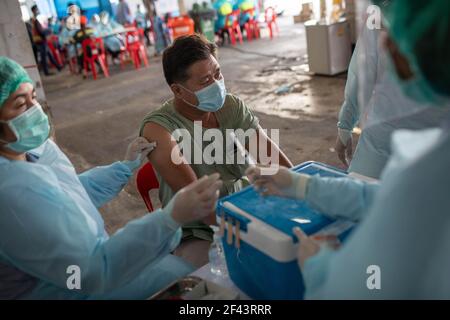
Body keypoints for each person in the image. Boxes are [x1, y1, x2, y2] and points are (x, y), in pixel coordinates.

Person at [247, 0, 450, 299]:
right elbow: (386, 197)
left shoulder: (427, 170)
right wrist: (302, 185)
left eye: (391, 36)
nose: (383, 40)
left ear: (408, 54)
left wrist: (319, 266)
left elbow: (363, 287)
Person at [0, 56, 223, 299]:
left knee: (183, 269)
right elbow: (90, 273)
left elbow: (69, 191)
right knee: (187, 279)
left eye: (34, 96)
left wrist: (123, 167)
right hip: (72, 288)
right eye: (21, 105)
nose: (36, 110)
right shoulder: (10, 193)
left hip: (93, 264)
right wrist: (171, 218)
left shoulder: (29, 151)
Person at [140, 34, 293, 268]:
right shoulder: (158, 129)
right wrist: (256, 238)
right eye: (205, 81)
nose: (216, 85)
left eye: (218, 74)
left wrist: (304, 191)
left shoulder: (231, 106)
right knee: (227, 279)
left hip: (246, 206)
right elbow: (201, 205)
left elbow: (274, 162)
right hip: (198, 230)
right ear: (178, 91)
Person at [335, 19, 449, 179]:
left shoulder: (384, 11)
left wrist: (345, 125)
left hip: (382, 143)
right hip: (437, 147)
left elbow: (362, 76)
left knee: (362, 198)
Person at [30, 5, 62, 76]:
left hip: (40, 41)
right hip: (41, 41)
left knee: (49, 55)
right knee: (44, 57)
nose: (38, 11)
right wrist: (48, 31)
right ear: (34, 11)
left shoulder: (34, 20)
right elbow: (41, 31)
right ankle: (46, 72)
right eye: (37, 9)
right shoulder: (35, 21)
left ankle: (58, 67)